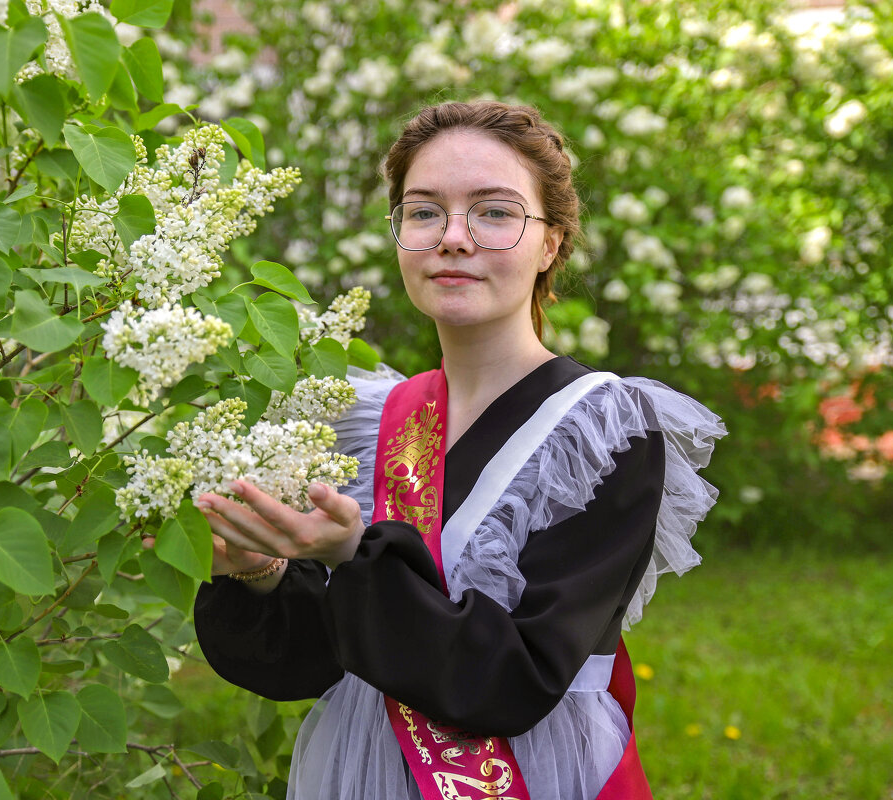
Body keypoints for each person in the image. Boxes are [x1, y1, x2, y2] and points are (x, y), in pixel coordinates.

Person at [192, 101, 725, 799]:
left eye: (495, 213)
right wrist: (260, 570)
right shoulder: (371, 419)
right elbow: (312, 665)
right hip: (360, 770)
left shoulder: (601, 434)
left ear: (551, 244)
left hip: (533, 774)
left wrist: (354, 561)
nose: (453, 238)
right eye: (423, 212)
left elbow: (511, 681)